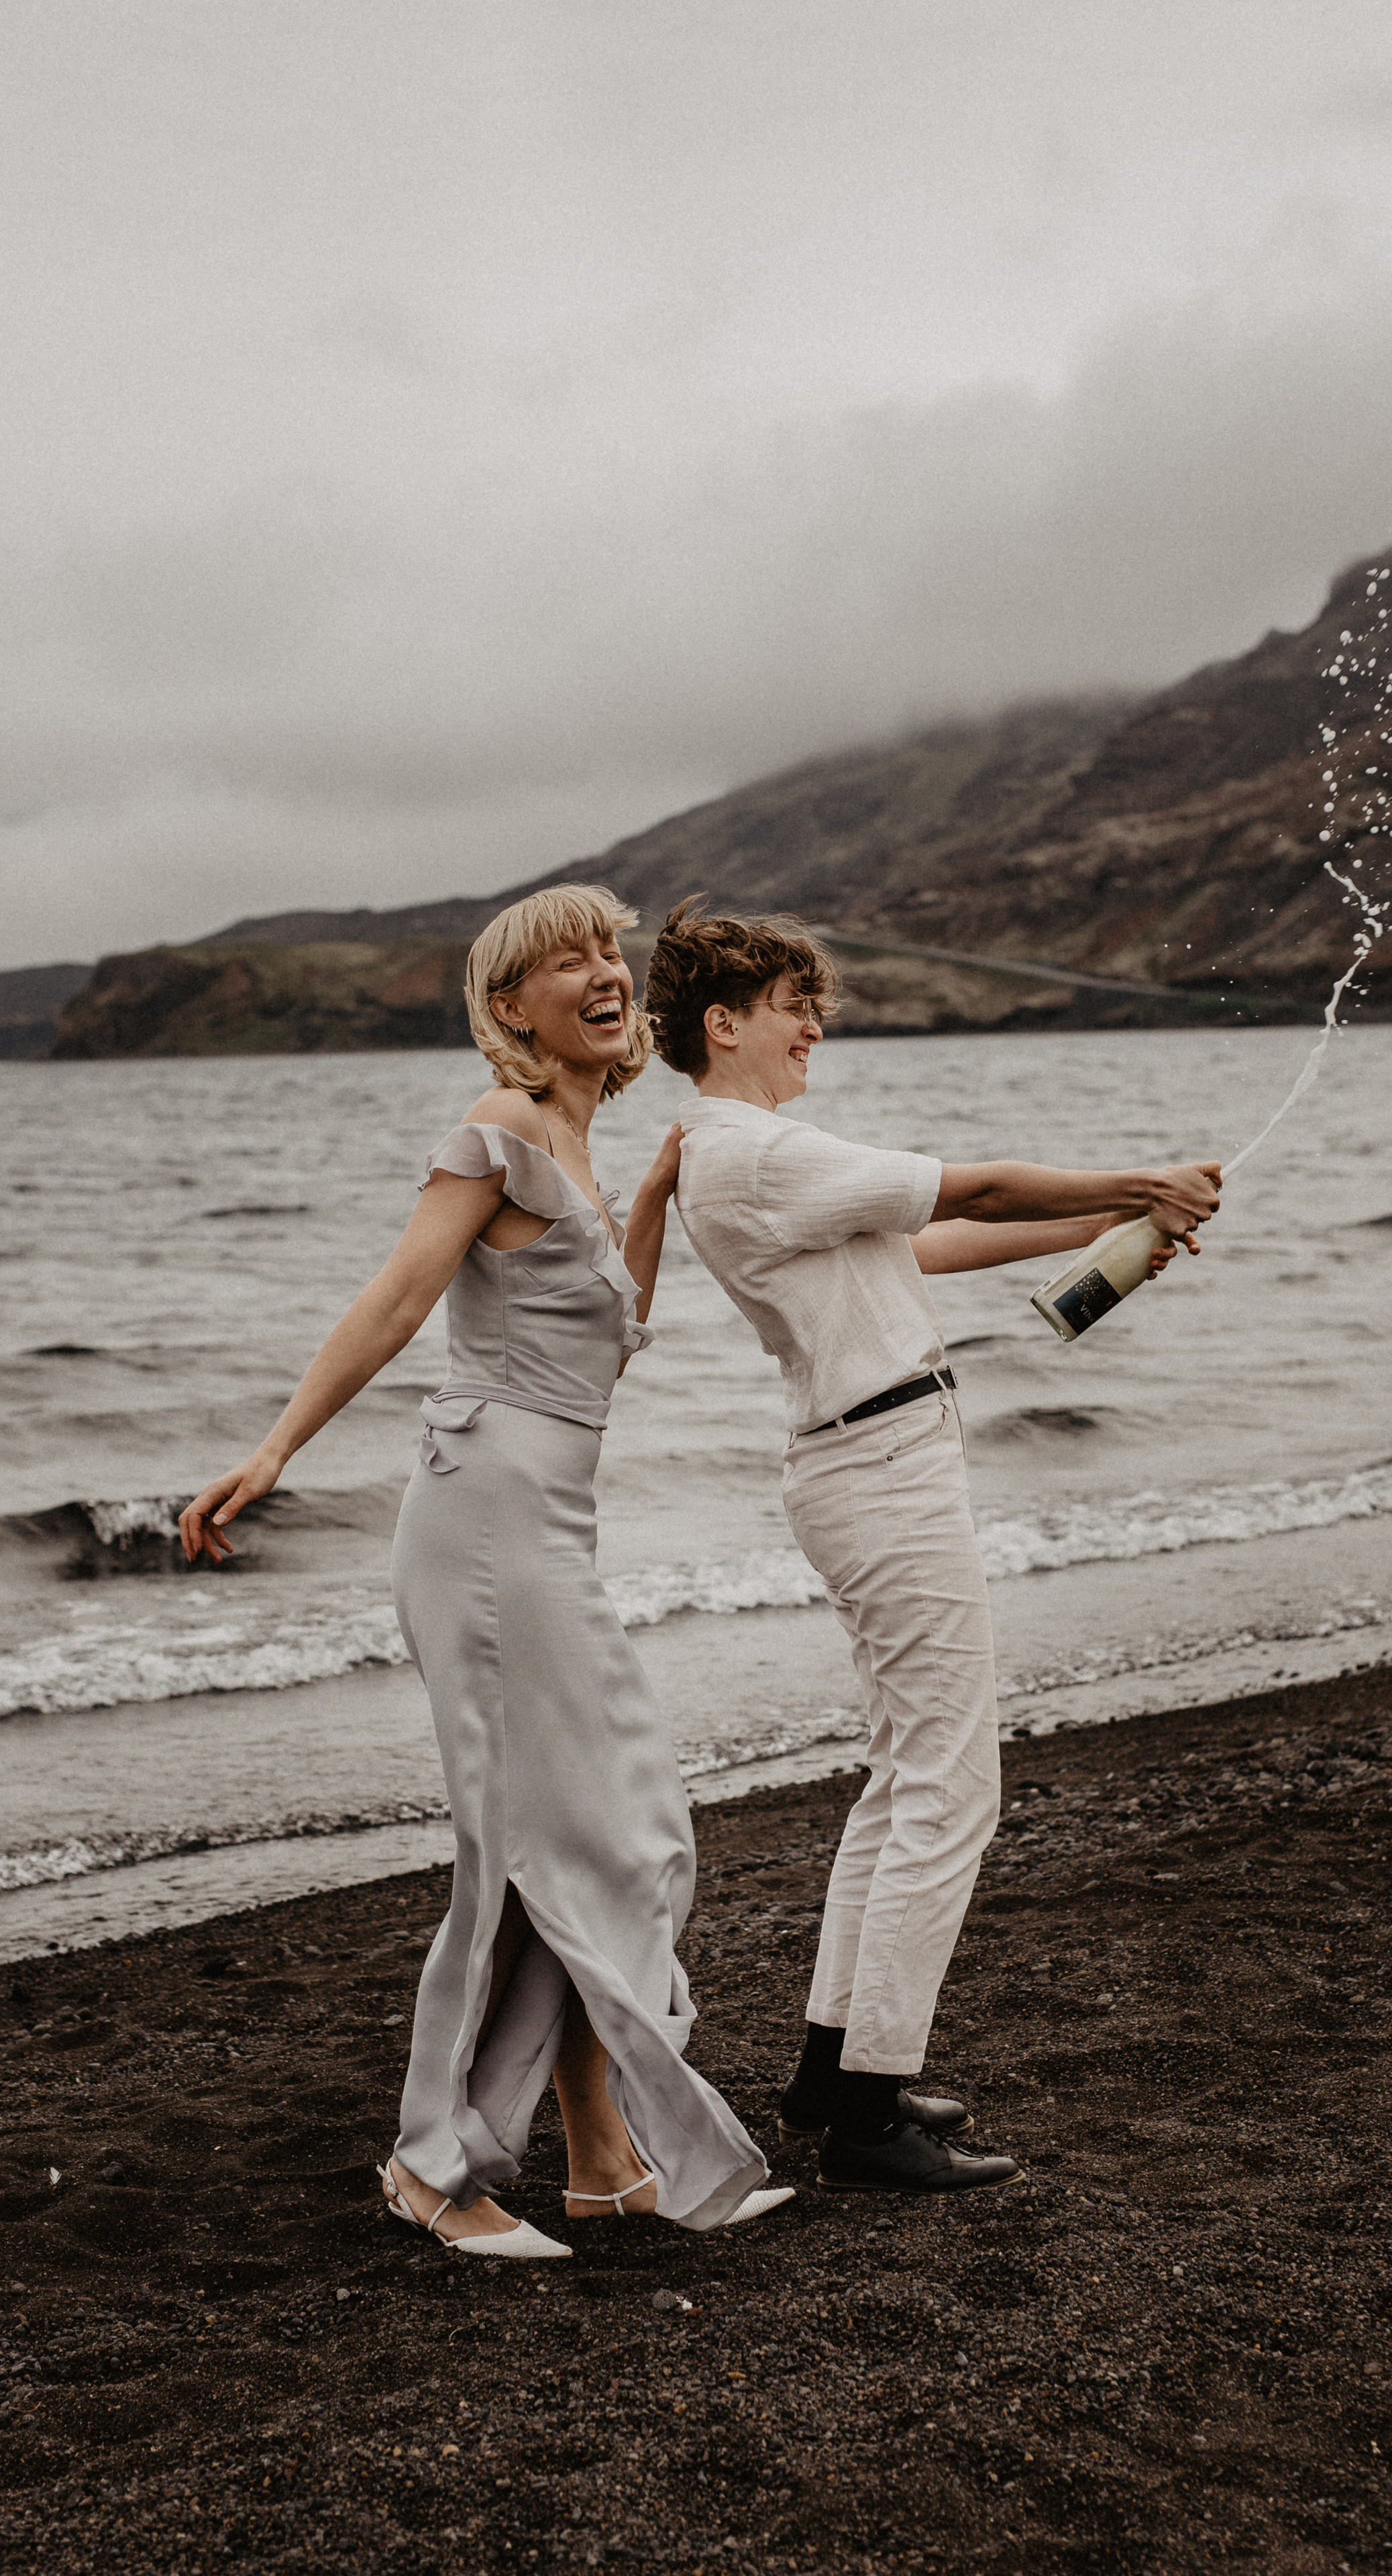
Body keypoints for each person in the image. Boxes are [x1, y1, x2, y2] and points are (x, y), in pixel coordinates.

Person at [179, 887, 792, 2257]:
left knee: (587, 1845)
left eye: (609, 950)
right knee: (555, 1849)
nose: (604, 971)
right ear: (509, 1007)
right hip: (484, 1525)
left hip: (546, 1524)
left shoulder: (576, 1143)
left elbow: (605, 1339)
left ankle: (603, 2164)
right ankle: (433, 2166)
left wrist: (646, 1202)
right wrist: (275, 1451)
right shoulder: (501, 1127)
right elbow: (400, 1296)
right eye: (565, 960)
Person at [645, 898, 1222, 2196]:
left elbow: (929, 1241)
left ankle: (834, 2073)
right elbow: (976, 1184)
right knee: (956, 1788)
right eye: (793, 1009)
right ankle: (865, 2122)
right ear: (723, 1023)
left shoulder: (749, 1156)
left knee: (905, 1776)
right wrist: (1139, 1183)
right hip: (880, 1468)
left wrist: (1114, 1234)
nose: (814, 1030)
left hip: (868, 1459)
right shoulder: (753, 1152)